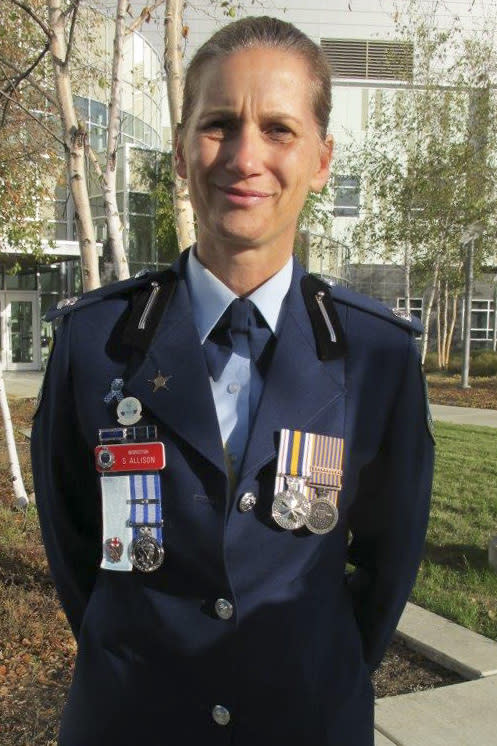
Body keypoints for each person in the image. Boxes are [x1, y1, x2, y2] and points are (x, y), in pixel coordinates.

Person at [31, 15, 434, 746]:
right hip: (131, 722)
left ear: (321, 159)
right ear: (181, 153)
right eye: (218, 124)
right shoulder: (95, 343)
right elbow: (75, 552)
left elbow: (386, 565)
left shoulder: (376, 355)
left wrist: (311, 672)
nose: (245, 157)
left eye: (278, 129)